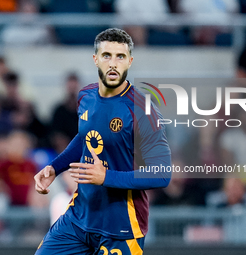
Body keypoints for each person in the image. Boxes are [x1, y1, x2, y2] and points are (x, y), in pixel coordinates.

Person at [34, 28, 171, 255]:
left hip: (121, 228)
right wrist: (54, 168)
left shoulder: (143, 110)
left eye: (120, 57)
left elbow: (162, 173)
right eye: (107, 56)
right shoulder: (85, 97)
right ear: (96, 59)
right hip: (78, 219)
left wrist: (106, 177)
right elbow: (85, 138)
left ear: (130, 61)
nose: (113, 64)